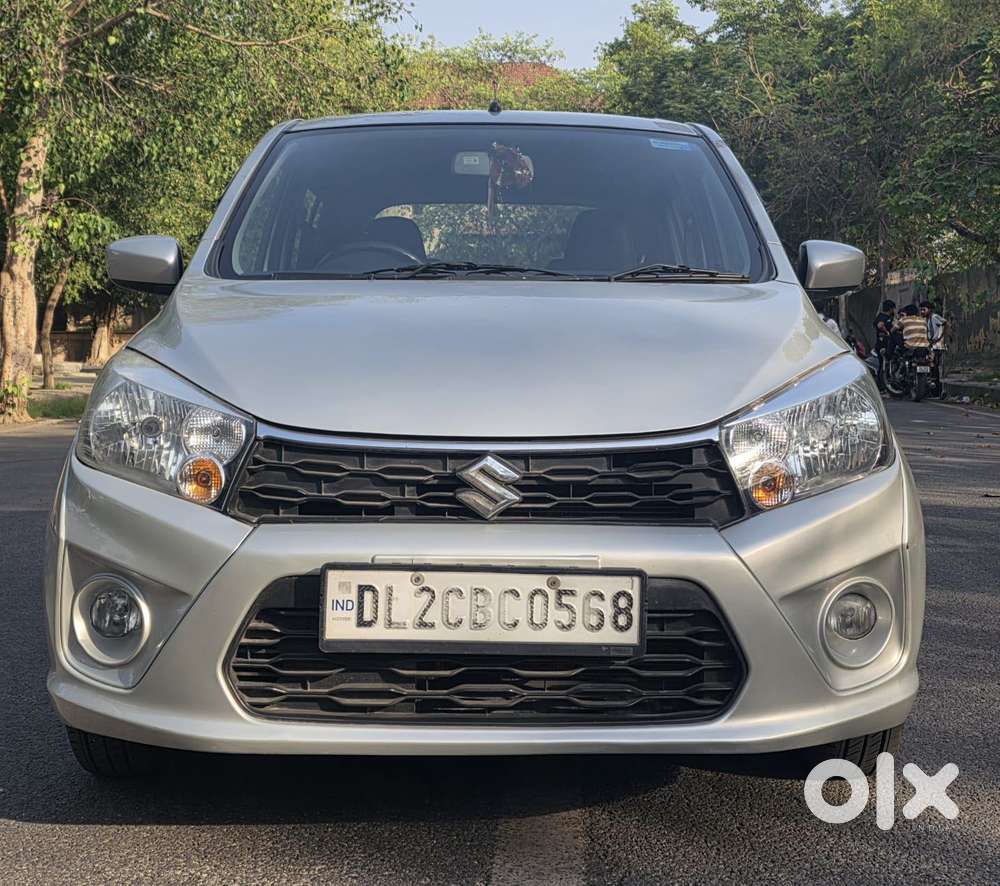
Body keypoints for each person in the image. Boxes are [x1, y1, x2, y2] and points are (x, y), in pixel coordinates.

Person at [922, 300, 948, 396]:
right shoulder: (926, 319)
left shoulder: (935, 317)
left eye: (924, 310)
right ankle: (933, 390)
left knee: (935, 367)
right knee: (932, 366)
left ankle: (938, 390)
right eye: (921, 310)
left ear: (929, 309)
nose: (922, 312)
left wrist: (940, 337)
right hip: (931, 345)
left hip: (937, 345)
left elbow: (946, 324)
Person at [873, 299, 896, 389]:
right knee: (883, 365)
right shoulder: (883, 317)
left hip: (883, 343)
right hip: (883, 344)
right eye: (893, 309)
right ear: (890, 309)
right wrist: (887, 332)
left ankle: (882, 385)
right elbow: (880, 325)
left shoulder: (881, 316)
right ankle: (882, 385)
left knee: (883, 364)